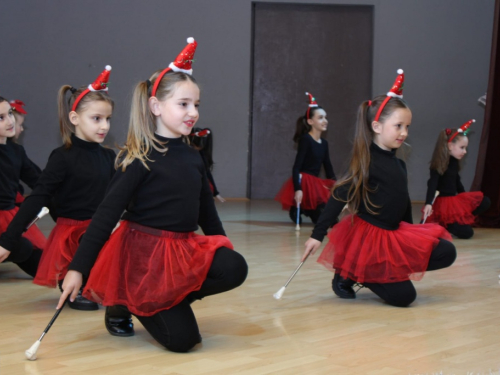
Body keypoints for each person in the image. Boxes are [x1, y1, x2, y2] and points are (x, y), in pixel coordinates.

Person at [58, 38, 248, 352]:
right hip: (143, 257)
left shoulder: (192, 156)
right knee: (184, 342)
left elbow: (205, 211)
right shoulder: (139, 158)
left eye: (196, 105)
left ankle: (160, 300)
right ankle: (127, 300)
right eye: (183, 104)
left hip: (179, 250)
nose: (193, 112)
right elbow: (106, 216)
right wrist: (78, 268)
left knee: (235, 267)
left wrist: (220, 245)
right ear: (156, 106)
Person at [301, 70, 456, 307]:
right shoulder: (366, 163)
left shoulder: (399, 164)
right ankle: (350, 272)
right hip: (370, 238)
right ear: (377, 126)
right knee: (405, 298)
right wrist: (317, 235)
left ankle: (382, 270)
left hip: (393, 234)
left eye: (407, 126)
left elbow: (402, 202)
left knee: (447, 252)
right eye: (398, 126)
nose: (404, 132)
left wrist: (410, 239)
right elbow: (339, 197)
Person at [0, 67, 115, 310]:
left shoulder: (107, 156)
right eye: (96, 119)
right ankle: (75, 281)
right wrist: (8, 240)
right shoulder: (62, 157)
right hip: (73, 233)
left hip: (99, 230)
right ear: (75, 119)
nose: (104, 126)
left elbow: (117, 197)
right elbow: (39, 197)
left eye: (108, 119)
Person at [0, 95, 45, 277]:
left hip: (9, 216)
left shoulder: (16, 151)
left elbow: (38, 180)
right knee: (22, 246)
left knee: (41, 266)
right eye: (1, 118)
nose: (10, 121)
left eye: (9, 114)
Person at [275, 92, 336, 224]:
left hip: (315, 184)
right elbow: (297, 166)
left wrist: (336, 185)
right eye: (320, 118)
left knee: (331, 220)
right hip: (304, 182)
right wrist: (298, 189)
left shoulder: (324, 143)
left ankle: (306, 208)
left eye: (325, 117)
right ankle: (298, 207)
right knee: (321, 220)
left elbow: (328, 166)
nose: (325, 121)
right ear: (310, 121)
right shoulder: (306, 140)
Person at [422, 120, 490, 238]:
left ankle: (457, 221)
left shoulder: (454, 163)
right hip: (443, 205)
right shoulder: (438, 165)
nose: (465, 152)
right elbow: (432, 184)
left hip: (454, 201)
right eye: (462, 148)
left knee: (485, 201)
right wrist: (428, 203)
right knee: (467, 233)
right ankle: (446, 223)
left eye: (465, 148)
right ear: (450, 146)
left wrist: (466, 203)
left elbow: (457, 182)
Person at [9, 100, 43, 206]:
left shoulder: (16, 151)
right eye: (20, 125)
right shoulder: (15, 151)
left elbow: (34, 176)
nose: (22, 129)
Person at [190, 127, 225, 202]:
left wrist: (216, 193)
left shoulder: (202, 156)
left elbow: (207, 174)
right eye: (192, 146)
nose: (194, 149)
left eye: (195, 146)